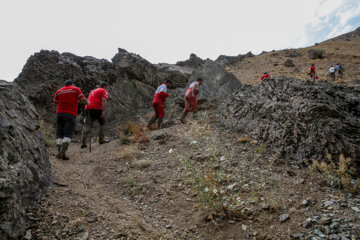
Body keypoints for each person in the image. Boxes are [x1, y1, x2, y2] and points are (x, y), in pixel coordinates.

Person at [53, 80, 89, 160]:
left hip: (59, 114)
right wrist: (87, 103)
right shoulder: (75, 89)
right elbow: (82, 99)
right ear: (72, 84)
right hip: (70, 114)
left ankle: (59, 151)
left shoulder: (59, 91)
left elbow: (55, 102)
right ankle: (63, 152)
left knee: (59, 133)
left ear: (64, 85)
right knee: (68, 133)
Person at [81, 82, 110, 148]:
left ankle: (83, 142)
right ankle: (101, 140)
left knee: (87, 124)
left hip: (88, 108)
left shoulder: (92, 91)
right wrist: (103, 111)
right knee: (102, 122)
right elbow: (104, 100)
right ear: (105, 86)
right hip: (97, 108)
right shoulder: (103, 90)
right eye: (107, 88)